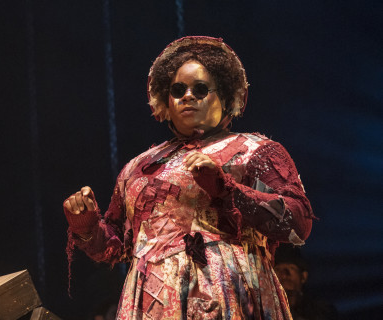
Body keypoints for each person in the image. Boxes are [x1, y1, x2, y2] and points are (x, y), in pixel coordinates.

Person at [64, 36, 315, 319]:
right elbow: (117, 248)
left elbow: (299, 222)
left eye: (200, 88)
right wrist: (87, 226)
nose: (188, 96)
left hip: (230, 298)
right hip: (153, 306)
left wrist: (226, 190)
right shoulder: (139, 167)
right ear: (164, 100)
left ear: (226, 94)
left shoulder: (255, 151)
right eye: (177, 89)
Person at [274, 244, 338, 320]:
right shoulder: (262, 309)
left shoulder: (323, 312)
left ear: (303, 276)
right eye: (278, 269)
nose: (284, 275)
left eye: (291, 268)